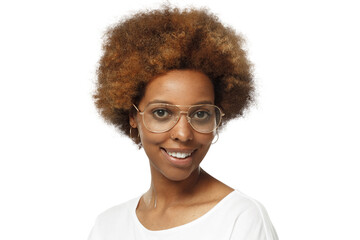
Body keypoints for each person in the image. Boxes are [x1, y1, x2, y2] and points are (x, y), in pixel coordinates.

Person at [89, 6, 278, 240]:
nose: (183, 134)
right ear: (133, 116)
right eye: (161, 112)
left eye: (200, 114)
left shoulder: (240, 219)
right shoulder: (108, 226)